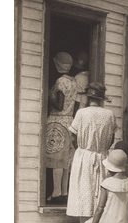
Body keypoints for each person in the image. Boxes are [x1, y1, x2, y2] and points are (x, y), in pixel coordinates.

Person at [67, 82, 117, 223]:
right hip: (103, 159)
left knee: (84, 207)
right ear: (101, 98)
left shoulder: (81, 113)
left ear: (88, 97)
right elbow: (111, 140)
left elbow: (72, 136)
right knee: (100, 207)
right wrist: (100, 149)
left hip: (84, 158)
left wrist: (82, 150)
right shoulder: (110, 115)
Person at [46, 52, 78, 204]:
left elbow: (59, 106)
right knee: (66, 159)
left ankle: (56, 192)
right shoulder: (73, 81)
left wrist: (47, 96)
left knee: (57, 158)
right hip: (69, 121)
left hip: (57, 121)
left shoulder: (60, 81)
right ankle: (64, 192)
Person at [71, 51, 89, 115]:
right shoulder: (88, 75)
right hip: (86, 100)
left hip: (79, 101)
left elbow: (77, 99)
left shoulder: (78, 77)